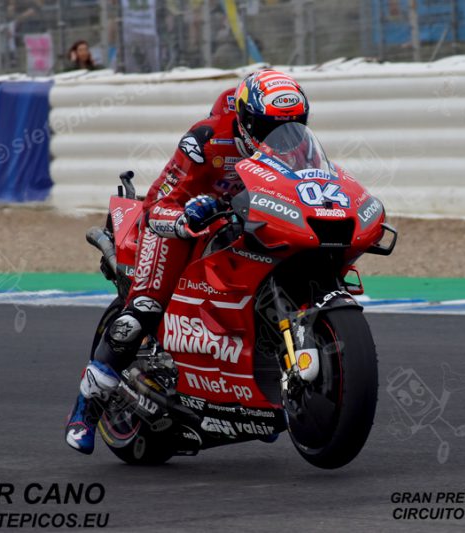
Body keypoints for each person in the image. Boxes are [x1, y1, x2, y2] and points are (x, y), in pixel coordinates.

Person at [65, 69, 311, 454]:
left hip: (239, 224)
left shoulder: (297, 147)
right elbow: (157, 205)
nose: (281, 136)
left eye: (294, 125)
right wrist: (185, 219)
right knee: (142, 310)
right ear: (246, 122)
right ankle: (85, 411)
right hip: (178, 227)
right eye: (268, 127)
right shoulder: (206, 140)